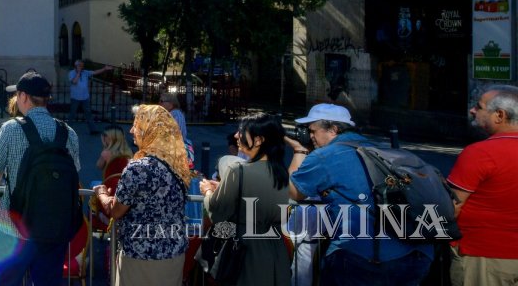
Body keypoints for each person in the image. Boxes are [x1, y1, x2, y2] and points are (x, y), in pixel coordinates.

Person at [287, 103, 432, 285]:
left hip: (361, 259)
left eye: (312, 130)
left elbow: (294, 191)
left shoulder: (326, 155)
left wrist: (299, 150)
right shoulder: (377, 148)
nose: (309, 136)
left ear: (333, 129)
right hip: (413, 256)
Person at [0, 70, 81, 286]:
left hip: (13, 227)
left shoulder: (10, 129)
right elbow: (74, 174)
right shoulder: (68, 133)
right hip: (54, 228)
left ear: (24, 97)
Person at [92, 104, 191, 286]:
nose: (131, 130)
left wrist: (102, 193)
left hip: (141, 256)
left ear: (150, 130)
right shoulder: (178, 165)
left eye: (136, 125)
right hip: (174, 253)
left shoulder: (138, 168)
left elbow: (116, 211)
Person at [197, 113, 292, 286]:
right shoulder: (281, 172)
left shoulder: (239, 171)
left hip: (246, 252)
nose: (236, 136)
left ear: (258, 140)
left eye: (241, 131)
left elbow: (218, 211)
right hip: (275, 251)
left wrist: (208, 192)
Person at [446, 85, 518, 285]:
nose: (472, 110)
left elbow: (451, 207)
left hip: (485, 256)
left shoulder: (481, 153)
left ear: (499, 115)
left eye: (479, 107)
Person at [67, 59, 112, 134]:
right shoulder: (71, 73)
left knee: (88, 113)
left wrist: (104, 69)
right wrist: (78, 73)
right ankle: (67, 130)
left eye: (82, 65)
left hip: (85, 97)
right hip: (75, 98)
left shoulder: (85, 72)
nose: (81, 67)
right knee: (72, 114)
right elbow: (74, 82)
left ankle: (93, 129)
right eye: (79, 65)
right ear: (75, 66)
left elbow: (95, 72)